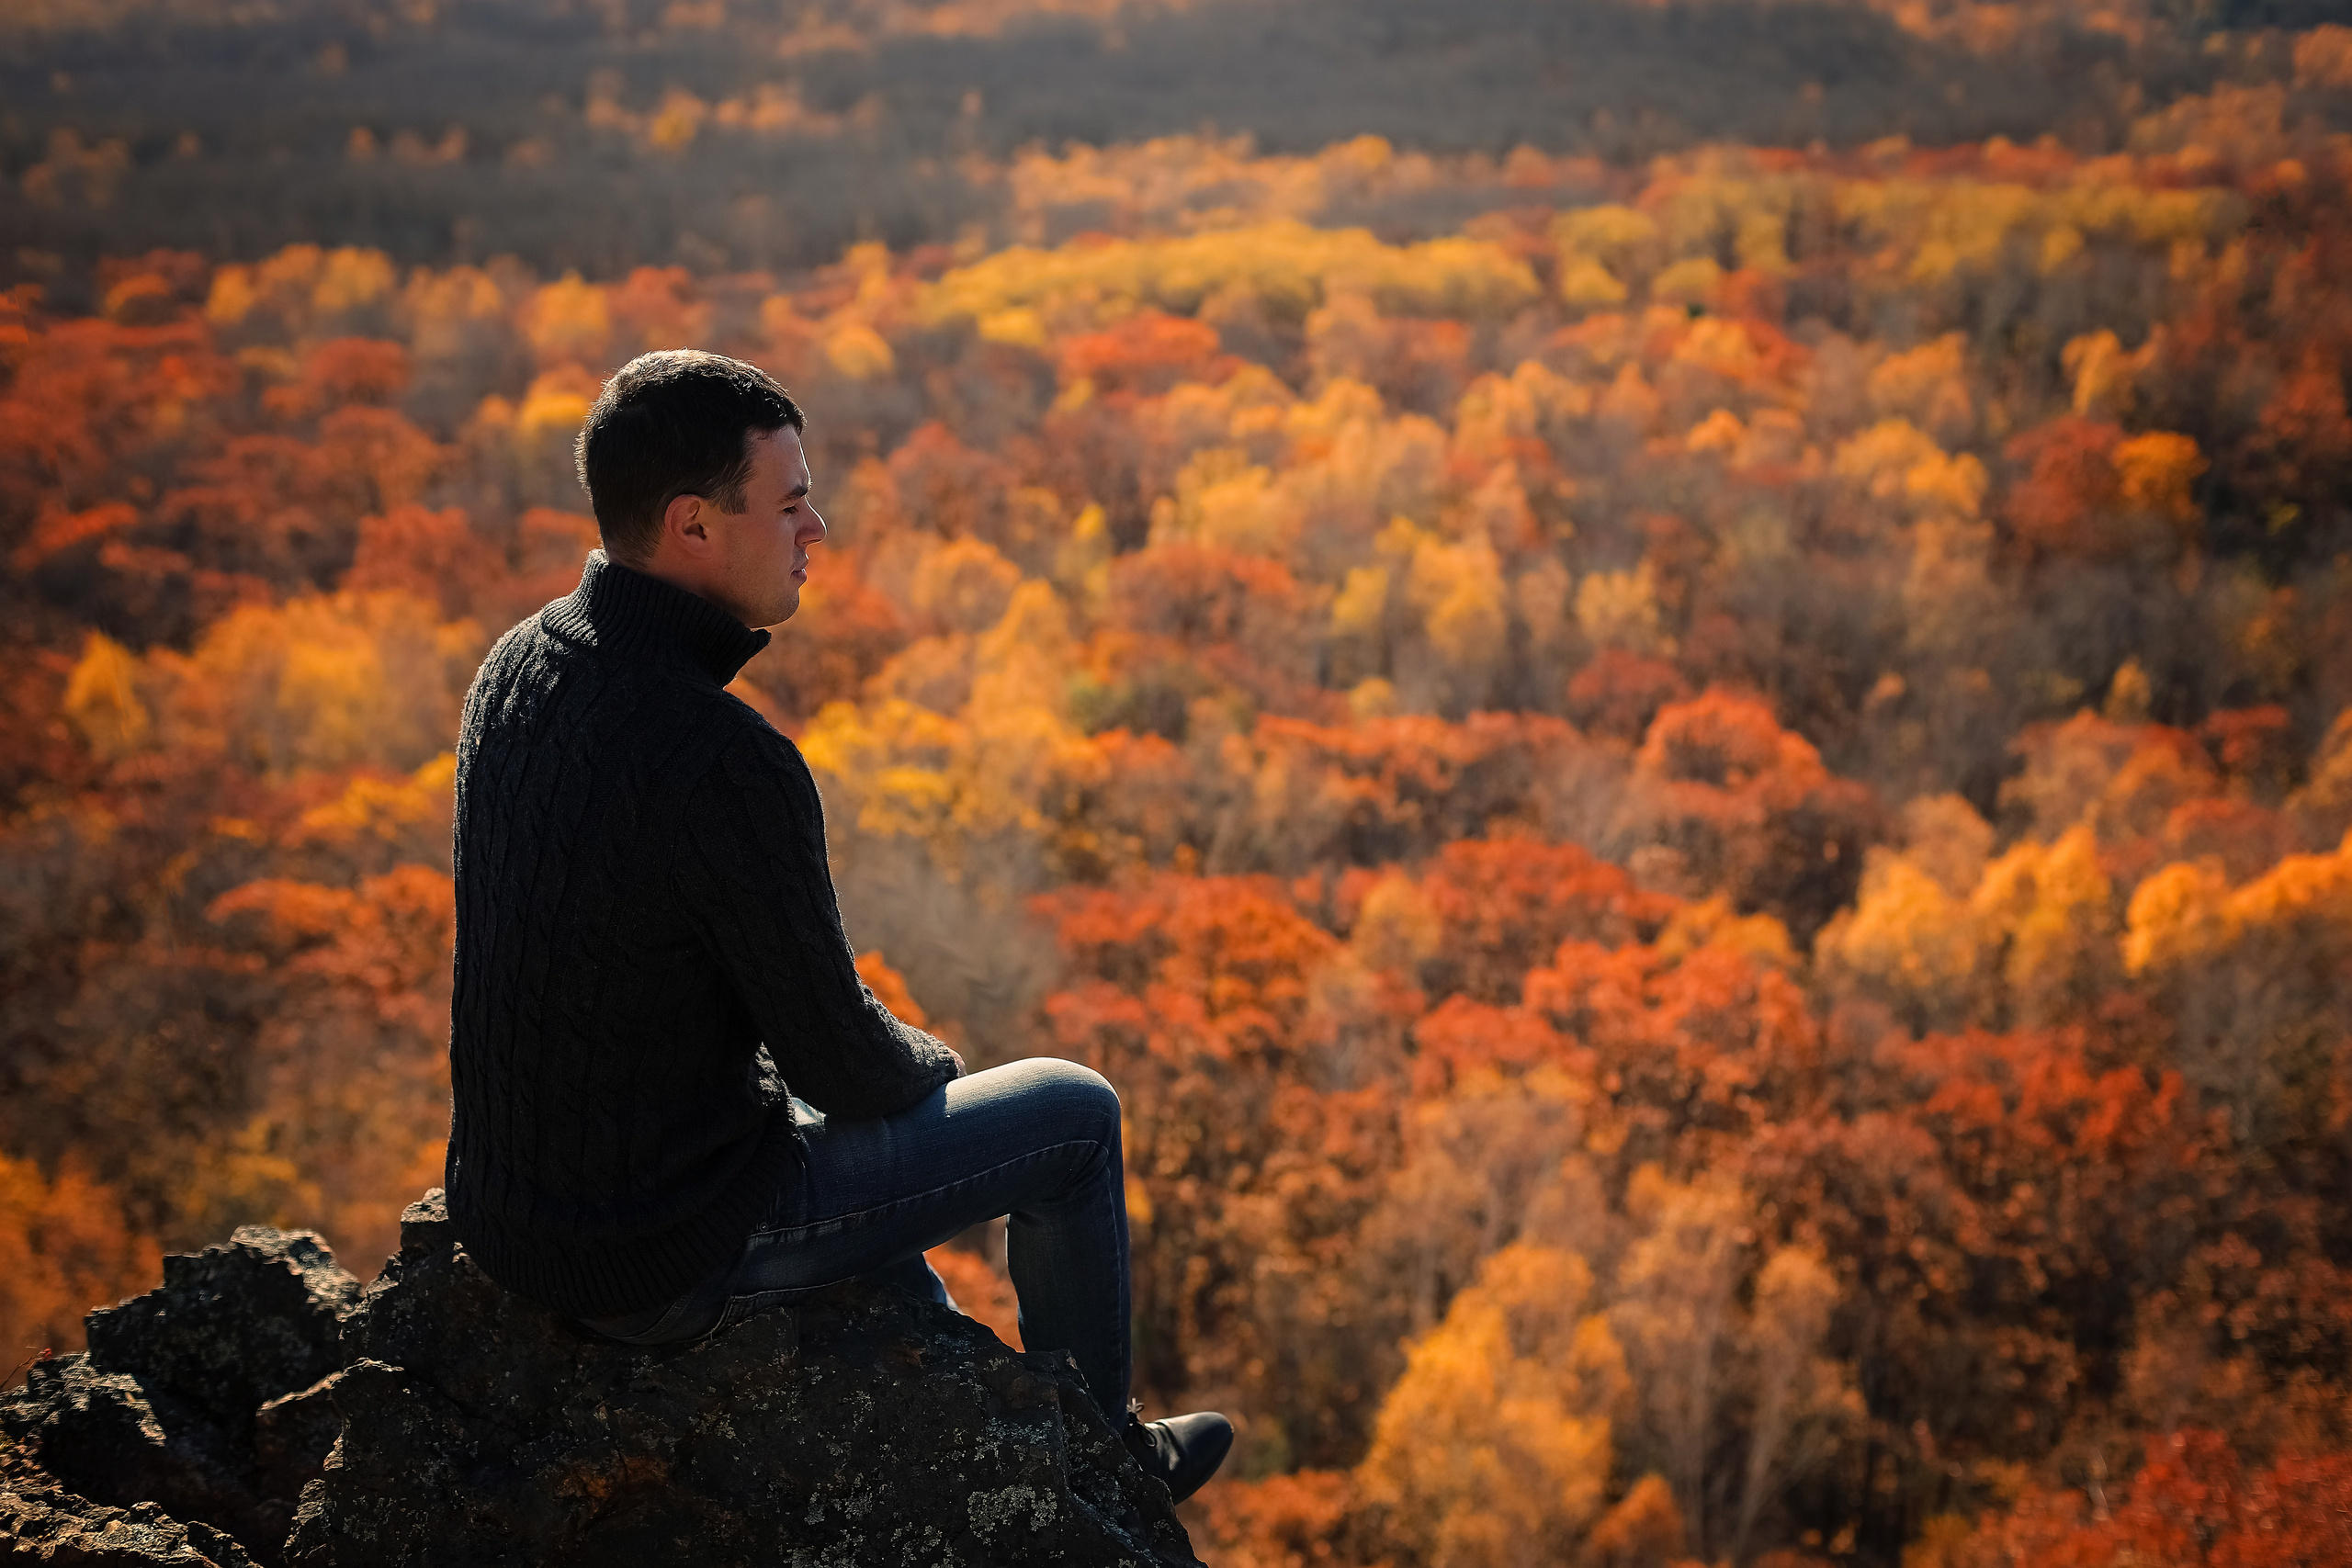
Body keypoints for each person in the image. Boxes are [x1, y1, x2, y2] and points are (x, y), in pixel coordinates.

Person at [443, 348, 1230, 1503]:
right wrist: (937, 1071)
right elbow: (844, 1062)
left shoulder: (515, 669)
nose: (819, 528)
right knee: (1072, 1118)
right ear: (693, 526)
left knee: (868, 1156)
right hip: (658, 1255)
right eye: (792, 500)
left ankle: (964, 1379)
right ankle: (1107, 1466)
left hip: (516, 1217)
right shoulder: (721, 762)